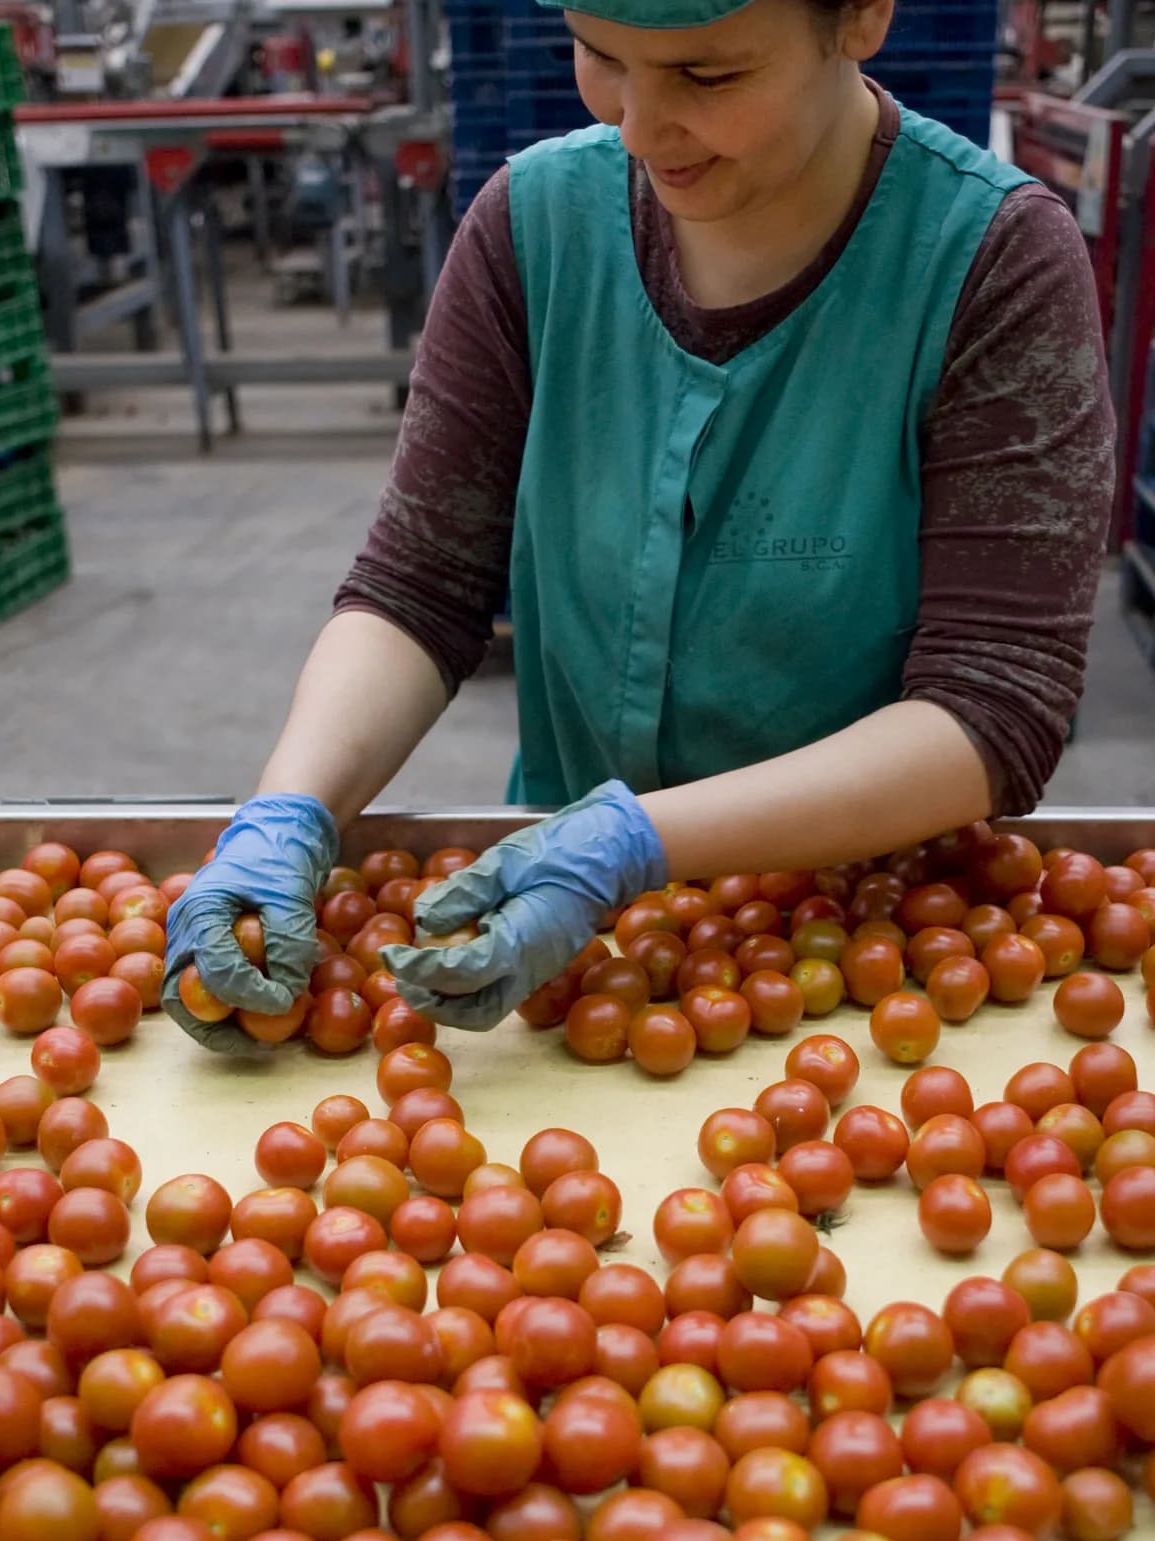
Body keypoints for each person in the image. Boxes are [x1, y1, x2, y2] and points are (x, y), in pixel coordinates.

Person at [163, 0, 1115, 1050]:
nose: (641, 126)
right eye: (604, 59)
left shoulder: (990, 260)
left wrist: (629, 842)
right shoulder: (535, 227)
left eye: (707, 78)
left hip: (874, 956)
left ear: (861, 16)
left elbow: (995, 705)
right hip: (559, 950)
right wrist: (291, 809)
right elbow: (419, 589)